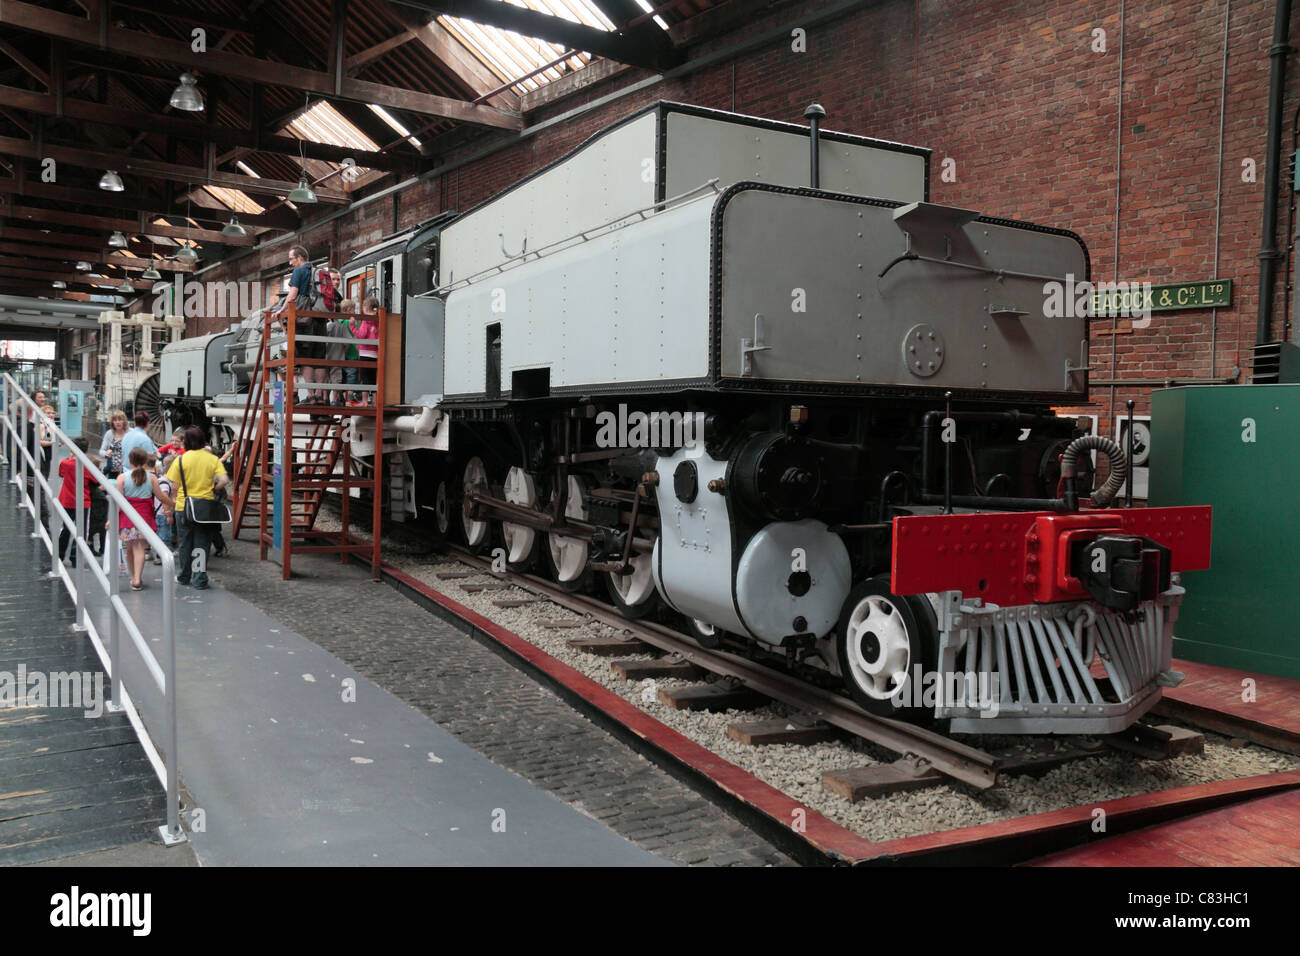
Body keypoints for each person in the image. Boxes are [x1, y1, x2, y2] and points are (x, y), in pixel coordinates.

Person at [166, 426, 229, 590]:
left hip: (183, 506)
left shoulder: (180, 460)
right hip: (205, 507)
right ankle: (199, 578)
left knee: (185, 542)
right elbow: (224, 480)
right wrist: (213, 489)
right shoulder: (212, 459)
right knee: (202, 543)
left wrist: (174, 501)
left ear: (186, 442)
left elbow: (173, 485)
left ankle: (183, 576)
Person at [272, 245, 325, 403]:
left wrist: (281, 310)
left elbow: (293, 294)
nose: (290, 263)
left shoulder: (299, 271)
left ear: (300, 257)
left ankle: (310, 396)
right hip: (320, 316)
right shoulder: (316, 271)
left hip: (304, 317)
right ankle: (321, 396)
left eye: (291, 259)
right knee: (320, 358)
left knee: (304, 358)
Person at [115, 447, 173, 590]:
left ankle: (133, 576)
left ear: (130, 460)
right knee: (140, 547)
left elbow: (118, 501)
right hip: (145, 517)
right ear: (145, 461)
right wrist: (174, 504)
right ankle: (137, 579)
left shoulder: (122, 478)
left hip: (127, 517)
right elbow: (160, 497)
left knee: (129, 548)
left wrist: (112, 519)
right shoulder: (152, 478)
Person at [56, 437, 94, 567]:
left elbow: (61, 474)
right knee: (80, 530)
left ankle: (59, 554)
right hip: (82, 501)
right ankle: (74, 557)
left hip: (67, 500)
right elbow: (95, 480)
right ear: (86, 450)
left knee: (66, 528)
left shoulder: (65, 464)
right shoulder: (88, 466)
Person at [325, 299, 356, 405]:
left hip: (326, 356)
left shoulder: (327, 326)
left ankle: (325, 398)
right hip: (338, 356)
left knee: (326, 378)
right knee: (336, 378)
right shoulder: (342, 326)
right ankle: (336, 399)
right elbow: (349, 341)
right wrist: (345, 352)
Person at [355, 297, 381, 406]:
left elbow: (361, 335)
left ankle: (365, 401)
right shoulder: (379, 320)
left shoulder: (365, 320)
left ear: (365, 308)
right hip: (375, 354)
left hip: (365, 353)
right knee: (374, 378)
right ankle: (375, 402)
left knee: (364, 378)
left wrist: (352, 327)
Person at [153, 453, 177, 564]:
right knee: (164, 536)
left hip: (162, 513)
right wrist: (168, 513)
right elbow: (164, 498)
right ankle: (161, 556)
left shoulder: (165, 480)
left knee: (164, 535)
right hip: (163, 514)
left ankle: (161, 555)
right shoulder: (165, 482)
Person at [99, 408, 129, 478]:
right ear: (112, 422)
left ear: (124, 421)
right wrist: (106, 453)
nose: (117, 422)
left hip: (127, 470)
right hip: (112, 471)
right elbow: (101, 451)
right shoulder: (109, 433)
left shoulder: (130, 432)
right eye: (115, 420)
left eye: (120, 420)